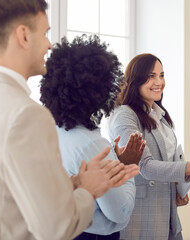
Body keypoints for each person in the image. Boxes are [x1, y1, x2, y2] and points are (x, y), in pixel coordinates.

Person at [0, 1, 137, 239]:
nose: (49, 44)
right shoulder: (27, 115)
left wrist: (75, 181)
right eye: (44, 33)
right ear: (23, 35)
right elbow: (56, 227)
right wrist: (88, 189)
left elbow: (6, 192)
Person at [108, 53, 190, 240]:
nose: (159, 82)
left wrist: (178, 190)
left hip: (166, 213)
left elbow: (171, 159)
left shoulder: (160, 116)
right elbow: (145, 166)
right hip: (140, 219)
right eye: (151, 76)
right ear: (135, 80)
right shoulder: (124, 115)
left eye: (161, 75)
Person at [40, 35, 144, 240]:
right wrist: (125, 171)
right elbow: (120, 213)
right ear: (95, 91)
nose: (116, 89)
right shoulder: (93, 144)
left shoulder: (54, 131)